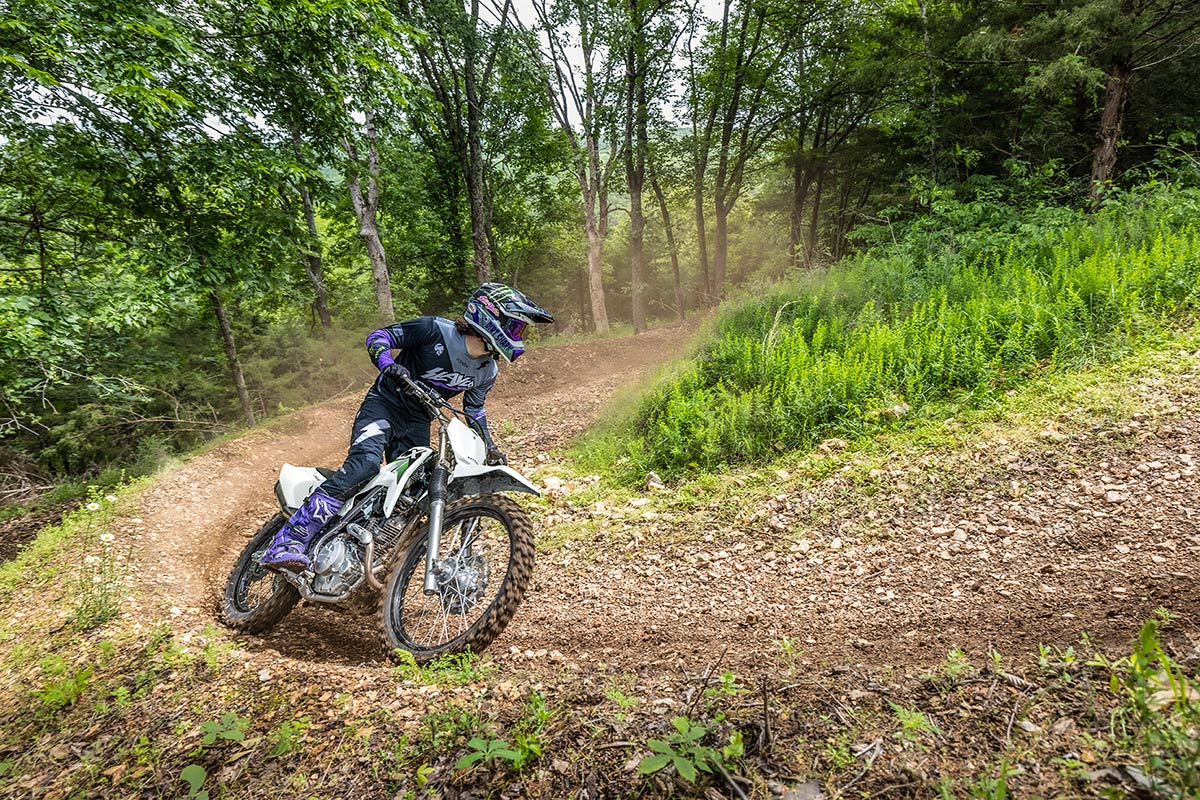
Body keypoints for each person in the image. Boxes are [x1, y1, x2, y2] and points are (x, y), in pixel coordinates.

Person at [260, 282, 554, 571]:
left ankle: (366, 558)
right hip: (384, 406)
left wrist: (489, 444)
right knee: (365, 466)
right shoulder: (433, 330)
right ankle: (289, 540)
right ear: (490, 316)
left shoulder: (487, 370)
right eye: (516, 327)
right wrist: (388, 364)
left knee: (413, 493)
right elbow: (379, 337)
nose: (518, 335)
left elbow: (474, 408)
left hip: (418, 420)